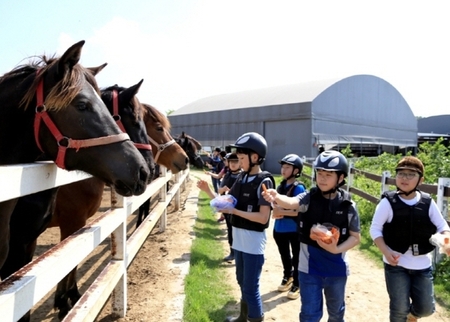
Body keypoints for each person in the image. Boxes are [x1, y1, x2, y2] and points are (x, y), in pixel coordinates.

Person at [263, 150, 360, 322]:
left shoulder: (348, 205)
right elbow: (292, 202)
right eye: (320, 173)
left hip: (336, 270)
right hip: (309, 269)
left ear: (341, 178)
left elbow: (355, 237)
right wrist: (277, 196)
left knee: (336, 314)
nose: (322, 178)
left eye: (328, 175)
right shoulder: (309, 197)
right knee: (309, 315)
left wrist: (336, 248)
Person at [370, 156, 450, 322]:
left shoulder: (428, 202)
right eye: (401, 173)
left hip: (422, 265)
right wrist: (385, 251)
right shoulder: (387, 202)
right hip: (396, 264)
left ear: (421, 180)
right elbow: (375, 229)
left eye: (410, 174)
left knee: (427, 308)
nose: (404, 178)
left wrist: (446, 240)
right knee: (399, 310)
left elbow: (443, 227)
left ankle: (412, 316)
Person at [224, 132, 275, 322]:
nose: (239, 161)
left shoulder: (264, 181)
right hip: (239, 241)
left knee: (251, 287)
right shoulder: (242, 178)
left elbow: (263, 218)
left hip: (253, 243)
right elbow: (227, 200)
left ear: (255, 157)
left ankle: (255, 317)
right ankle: (243, 316)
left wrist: (236, 212)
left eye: (242, 158)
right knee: (241, 281)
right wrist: (208, 192)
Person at [272, 154, 306, 300]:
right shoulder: (280, 186)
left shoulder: (299, 188)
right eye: (282, 167)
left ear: (296, 170)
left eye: (287, 167)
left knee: (297, 257)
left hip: (293, 229)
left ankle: (297, 283)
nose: (283, 170)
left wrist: (281, 211)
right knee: (284, 255)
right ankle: (288, 275)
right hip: (279, 229)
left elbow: (299, 209)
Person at [198, 152, 242, 262]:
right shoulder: (227, 175)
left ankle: (240, 254)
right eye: (231, 161)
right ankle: (232, 252)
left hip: (238, 209)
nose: (233, 164)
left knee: (238, 232)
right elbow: (219, 190)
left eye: (236, 161)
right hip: (226, 208)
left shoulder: (242, 176)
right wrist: (222, 190)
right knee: (230, 230)